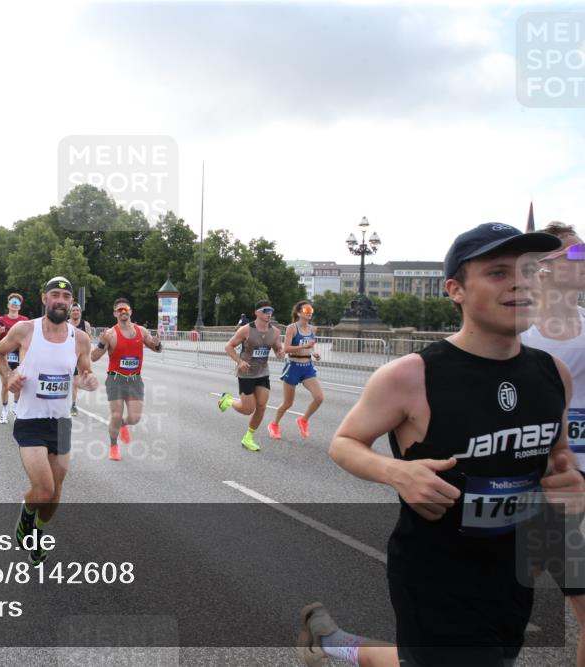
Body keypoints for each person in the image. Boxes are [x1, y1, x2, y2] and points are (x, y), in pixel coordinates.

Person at [296, 223, 581, 667]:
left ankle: (332, 642)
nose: (520, 282)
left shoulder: (552, 374)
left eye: (528, 270)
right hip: (436, 576)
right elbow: (345, 442)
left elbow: (555, 460)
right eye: (499, 272)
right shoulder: (411, 375)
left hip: (513, 572)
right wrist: (397, 471)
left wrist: (569, 484)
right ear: (456, 290)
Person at [0, 277, 98, 565]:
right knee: (44, 488)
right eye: (55, 295)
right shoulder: (26, 330)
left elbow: (85, 370)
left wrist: (88, 379)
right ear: (44, 298)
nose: (61, 300)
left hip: (61, 423)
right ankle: (26, 514)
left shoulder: (81, 339)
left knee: (56, 491)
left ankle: (37, 534)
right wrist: (9, 376)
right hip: (30, 420)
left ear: (71, 303)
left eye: (66, 296)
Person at [520, 221, 585, 667]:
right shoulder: (517, 332)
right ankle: (338, 643)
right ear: (543, 267)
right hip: (534, 489)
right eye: (576, 255)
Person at [91, 297, 162, 461]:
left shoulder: (141, 331)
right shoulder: (110, 334)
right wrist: (101, 344)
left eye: (126, 309)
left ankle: (123, 424)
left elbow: (156, 348)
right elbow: (93, 358)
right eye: (120, 310)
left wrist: (158, 344)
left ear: (131, 312)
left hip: (135, 380)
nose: (123, 312)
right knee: (116, 414)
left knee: (135, 418)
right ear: (115, 313)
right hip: (116, 379)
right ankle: (114, 446)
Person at [217, 300, 286, 451]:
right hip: (246, 373)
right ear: (257, 312)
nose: (269, 313)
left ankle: (248, 438)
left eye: (271, 310)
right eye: (265, 310)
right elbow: (228, 347)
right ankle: (228, 400)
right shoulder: (246, 330)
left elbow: (278, 349)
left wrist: (281, 352)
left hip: (262, 373)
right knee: (248, 409)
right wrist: (239, 361)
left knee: (261, 406)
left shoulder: (275, 332)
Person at [268, 301, 323, 440]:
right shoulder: (292, 328)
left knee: (319, 397)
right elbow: (286, 349)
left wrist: (313, 352)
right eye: (306, 309)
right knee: (288, 403)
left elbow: (309, 346)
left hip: (307, 367)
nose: (309, 312)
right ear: (299, 313)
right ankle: (274, 425)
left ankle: (303, 420)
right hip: (293, 366)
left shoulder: (312, 329)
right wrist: (306, 346)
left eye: (311, 309)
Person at [0, 294, 29, 424]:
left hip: (20, 356)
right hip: (4, 356)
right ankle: (4, 411)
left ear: (20, 306)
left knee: (18, 385)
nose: (14, 304)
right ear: (8, 305)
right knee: (5, 384)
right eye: (12, 302)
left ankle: (15, 407)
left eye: (17, 302)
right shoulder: (0, 320)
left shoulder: (25, 321)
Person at [69, 303, 92, 416]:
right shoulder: (66, 324)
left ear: (80, 312)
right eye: (73, 310)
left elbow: (89, 340)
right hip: (67, 355)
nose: (75, 312)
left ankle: (73, 404)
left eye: (77, 310)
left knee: (75, 381)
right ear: (70, 312)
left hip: (79, 357)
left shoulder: (85, 324)